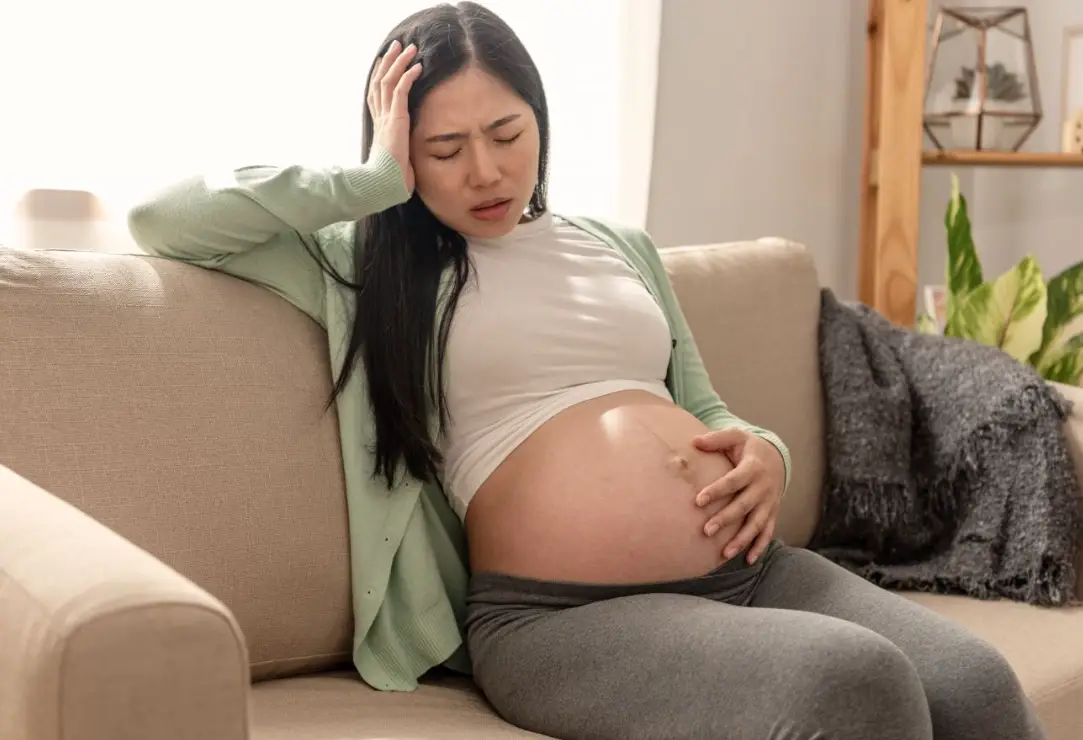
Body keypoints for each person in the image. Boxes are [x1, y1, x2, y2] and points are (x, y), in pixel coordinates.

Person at [127, 3, 1045, 739]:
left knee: (975, 683)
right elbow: (165, 222)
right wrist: (368, 183)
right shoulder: (364, 265)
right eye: (444, 150)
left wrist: (765, 453)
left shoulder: (615, 247)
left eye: (507, 132)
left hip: (752, 571)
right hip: (560, 619)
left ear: (541, 121)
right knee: (852, 684)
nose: (485, 170)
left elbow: (705, 407)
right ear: (402, 147)